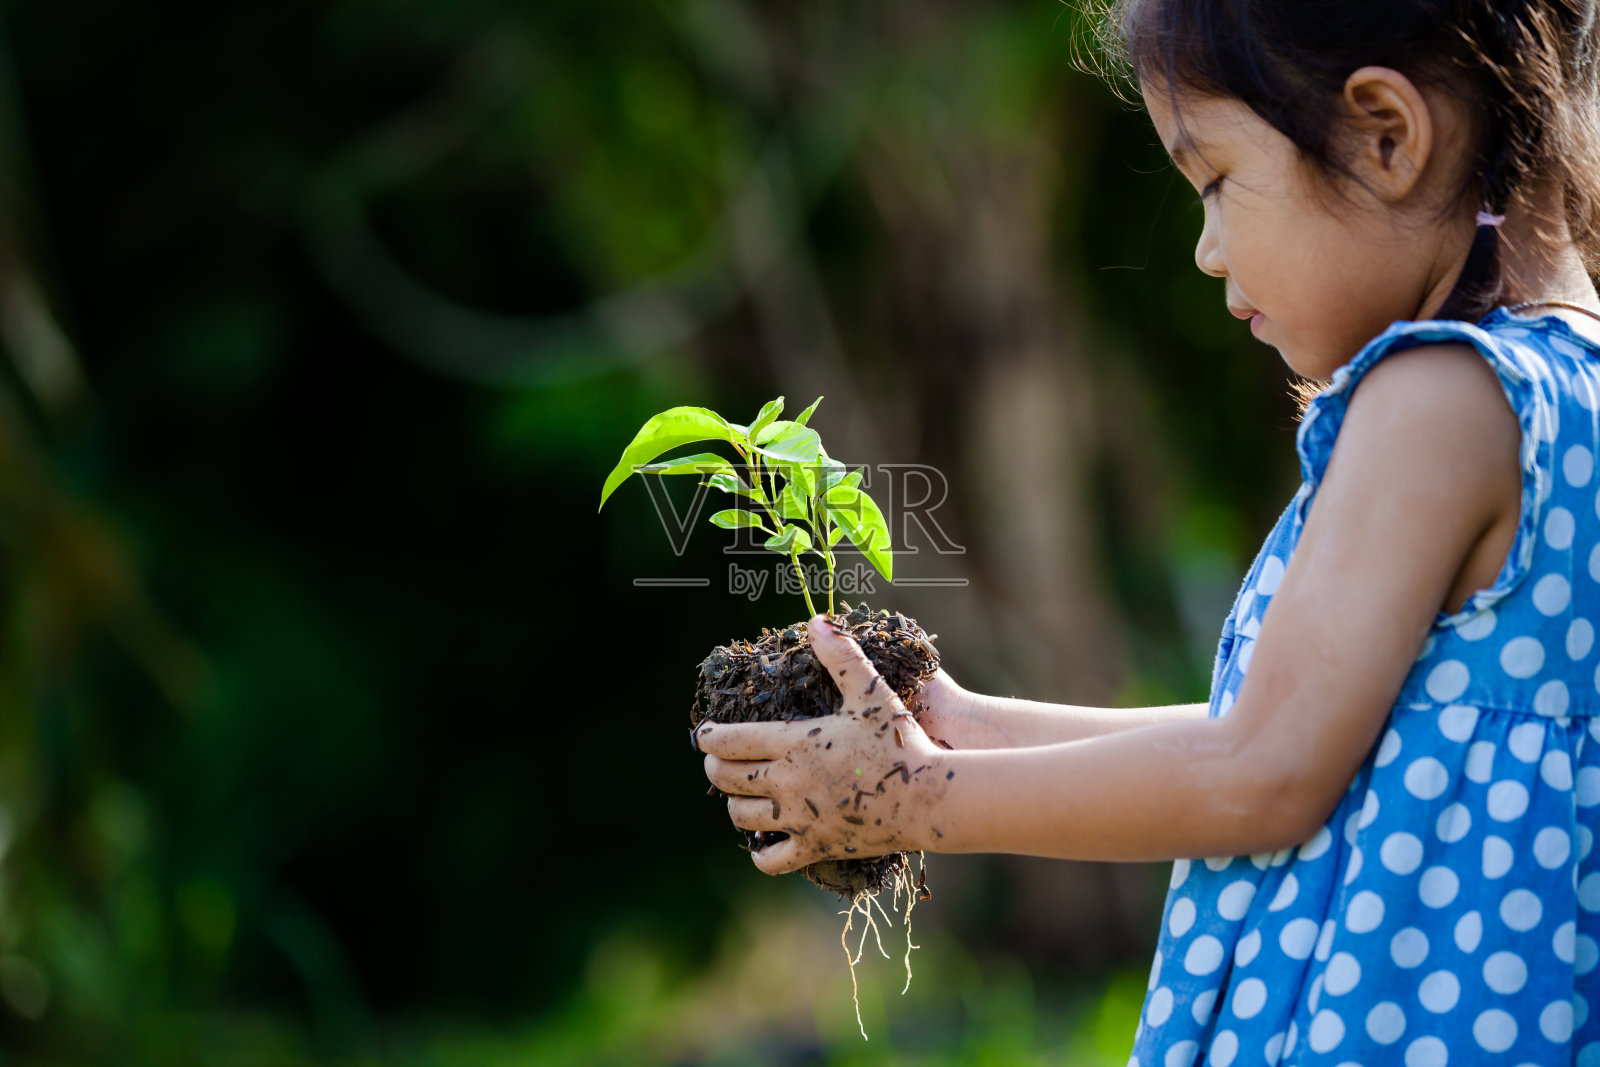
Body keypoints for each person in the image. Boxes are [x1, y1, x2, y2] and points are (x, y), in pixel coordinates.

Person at [693, 0, 1600, 1061]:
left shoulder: (1433, 399)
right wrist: (963, 722)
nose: (1210, 252)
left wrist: (910, 796)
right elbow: (1279, 732)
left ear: (1385, 136)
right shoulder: (1561, 389)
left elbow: (1258, 771)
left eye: (1214, 182)